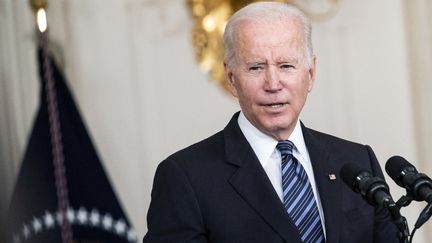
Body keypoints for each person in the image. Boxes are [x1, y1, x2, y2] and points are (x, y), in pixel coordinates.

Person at [143, 2, 398, 243]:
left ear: (310, 74)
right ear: (231, 78)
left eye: (286, 65)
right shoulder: (184, 177)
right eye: (256, 68)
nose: (273, 84)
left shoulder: (356, 162)